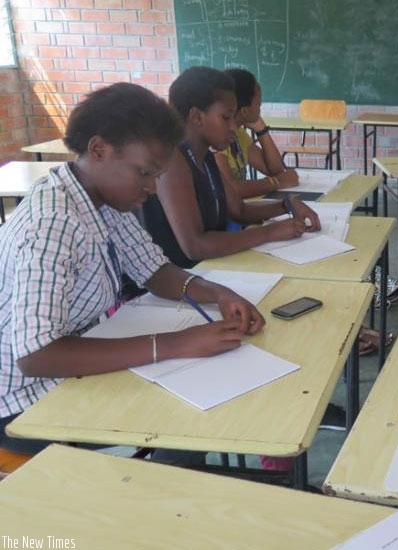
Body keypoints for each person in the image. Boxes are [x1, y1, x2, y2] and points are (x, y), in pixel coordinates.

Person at [0, 83, 264, 460]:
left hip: (68, 368)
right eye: (144, 173)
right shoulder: (52, 224)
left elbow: (155, 271)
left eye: (157, 175)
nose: (153, 188)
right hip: (24, 401)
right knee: (186, 415)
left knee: (195, 391)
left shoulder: (98, 197)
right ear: (98, 150)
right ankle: (163, 498)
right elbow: (36, 355)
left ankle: (174, 483)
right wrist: (175, 344)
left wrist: (220, 293)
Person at [140, 66, 320, 270]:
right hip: (180, 283)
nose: (234, 127)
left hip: (210, 271)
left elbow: (238, 210)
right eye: (226, 118)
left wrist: (287, 205)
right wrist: (268, 233)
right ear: (197, 117)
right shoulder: (173, 161)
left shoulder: (206, 157)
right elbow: (195, 246)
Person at [214, 68, 299, 199]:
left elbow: (275, 170)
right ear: (244, 110)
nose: (260, 107)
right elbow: (233, 189)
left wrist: (261, 129)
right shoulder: (217, 139)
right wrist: (277, 182)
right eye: (258, 102)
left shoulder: (239, 134)